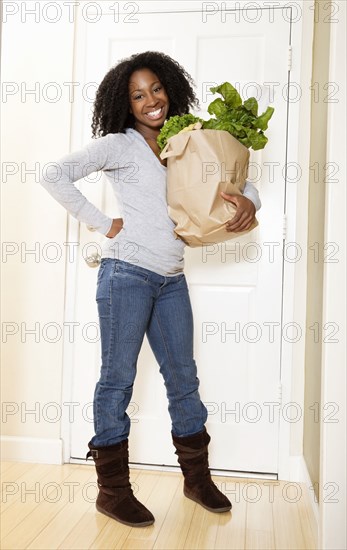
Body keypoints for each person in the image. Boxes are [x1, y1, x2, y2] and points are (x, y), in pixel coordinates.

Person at [40, 51, 261, 527]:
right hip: (127, 276)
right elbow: (53, 174)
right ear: (126, 103)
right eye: (137, 95)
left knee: (184, 378)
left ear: (171, 90)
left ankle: (197, 480)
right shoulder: (119, 145)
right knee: (116, 380)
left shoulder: (189, 141)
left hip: (172, 279)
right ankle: (112, 491)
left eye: (156, 89)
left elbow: (235, 176)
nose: (150, 100)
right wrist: (105, 224)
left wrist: (248, 200)